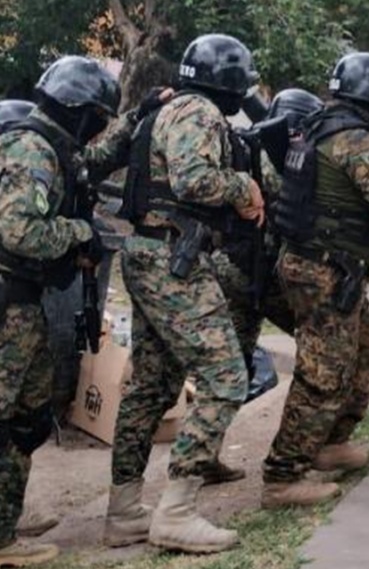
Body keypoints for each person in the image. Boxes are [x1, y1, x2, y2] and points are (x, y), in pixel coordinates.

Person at [107, 34, 265, 553]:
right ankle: (175, 513)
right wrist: (245, 190)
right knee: (224, 377)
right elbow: (194, 180)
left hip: (148, 254)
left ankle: (125, 510)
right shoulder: (198, 112)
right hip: (171, 261)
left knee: (151, 386)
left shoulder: (173, 108)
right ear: (232, 80)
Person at [1, 56, 139, 567]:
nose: (98, 125)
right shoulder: (32, 148)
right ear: (79, 110)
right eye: (98, 116)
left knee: (28, 415)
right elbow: (17, 232)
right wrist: (81, 234)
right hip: (7, 303)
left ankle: (4, 518)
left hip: (23, 304)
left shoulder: (51, 146)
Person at [264, 52, 369, 507]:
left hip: (317, 264)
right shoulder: (353, 138)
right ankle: (282, 475)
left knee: (365, 347)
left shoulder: (315, 124)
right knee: (323, 374)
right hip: (323, 269)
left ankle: (329, 443)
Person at [212, 88, 324, 391]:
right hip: (257, 271)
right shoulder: (283, 162)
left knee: (230, 366)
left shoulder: (246, 146)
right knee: (323, 340)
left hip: (230, 264)